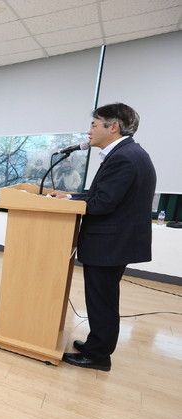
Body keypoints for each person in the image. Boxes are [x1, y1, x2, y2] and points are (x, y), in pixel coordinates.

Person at [53, 103, 156, 372]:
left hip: (110, 243)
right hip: (114, 241)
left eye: (94, 125)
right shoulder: (128, 153)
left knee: (102, 301)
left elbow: (102, 204)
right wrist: (70, 197)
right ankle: (95, 344)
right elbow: (103, 196)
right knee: (102, 298)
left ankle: (98, 355)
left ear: (114, 127)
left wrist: (70, 203)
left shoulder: (124, 157)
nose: (89, 131)